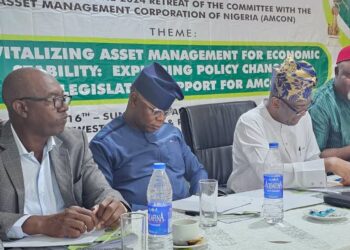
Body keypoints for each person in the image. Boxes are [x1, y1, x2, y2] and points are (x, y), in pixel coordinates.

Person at [0, 68, 129, 241]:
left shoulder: (74, 142)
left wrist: (114, 205)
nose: (65, 107)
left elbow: (101, 190)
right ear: (22, 108)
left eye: (64, 98)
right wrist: (40, 224)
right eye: (55, 100)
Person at [90, 62, 208, 210]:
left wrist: (197, 201)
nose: (161, 118)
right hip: (140, 221)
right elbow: (104, 200)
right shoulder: (105, 144)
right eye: (155, 111)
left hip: (186, 218)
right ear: (134, 100)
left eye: (166, 112)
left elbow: (198, 171)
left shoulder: (172, 133)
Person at [227, 57, 350, 192]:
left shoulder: (304, 116)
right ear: (275, 103)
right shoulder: (250, 123)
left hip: (295, 195)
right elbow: (270, 174)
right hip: (251, 200)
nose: (304, 114)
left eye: (306, 107)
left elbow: (312, 160)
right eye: (298, 109)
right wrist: (329, 163)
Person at [309, 46, 350, 160]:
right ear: (336, 72)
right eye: (349, 76)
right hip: (334, 175)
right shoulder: (321, 105)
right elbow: (316, 155)